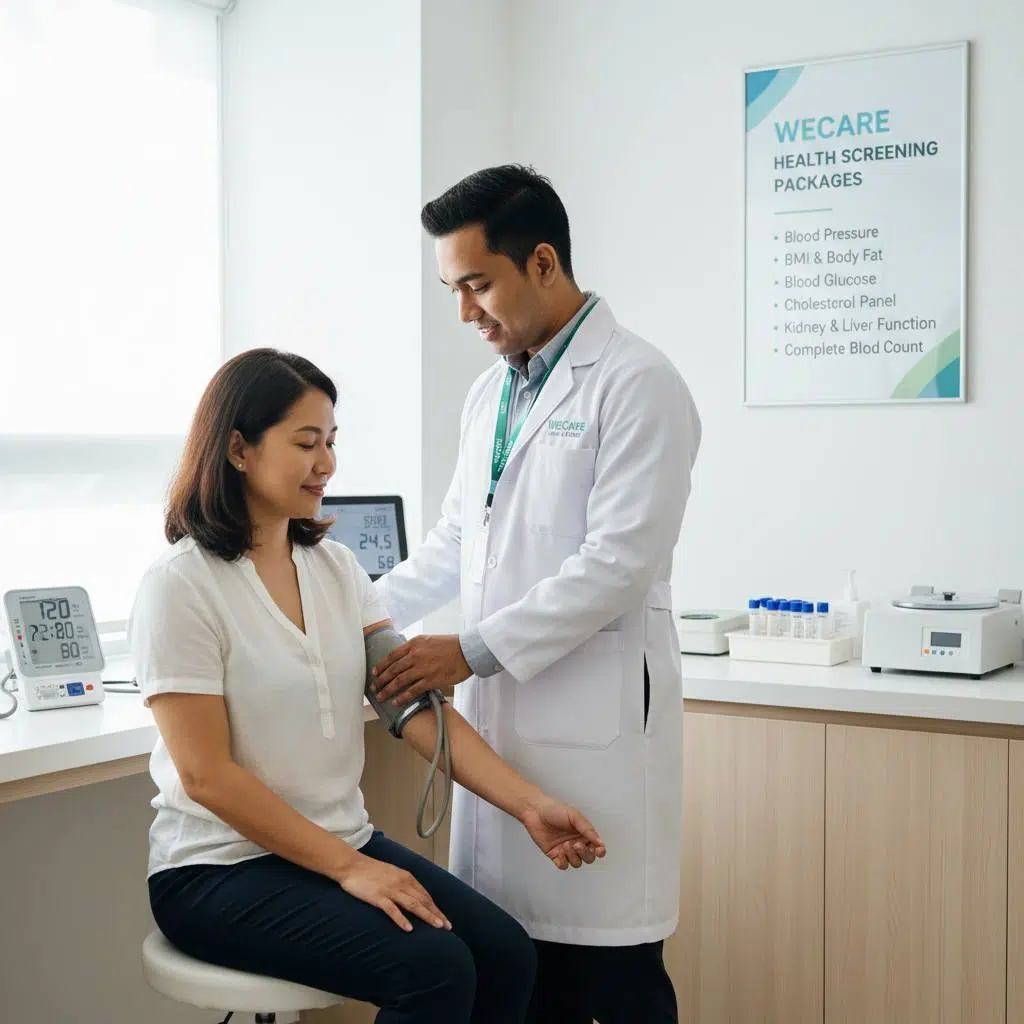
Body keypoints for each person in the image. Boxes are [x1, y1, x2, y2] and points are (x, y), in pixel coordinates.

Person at [129, 348, 607, 1024]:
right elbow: (206, 777)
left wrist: (529, 804)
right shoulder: (181, 586)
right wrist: (348, 868)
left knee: (506, 954)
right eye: (305, 442)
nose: (327, 462)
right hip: (218, 869)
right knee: (434, 970)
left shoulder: (335, 567)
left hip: (336, 840)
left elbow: (410, 702)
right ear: (238, 448)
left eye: (331, 441)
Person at [370, 165, 702, 1024]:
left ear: (544, 263)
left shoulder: (638, 383)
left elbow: (618, 563)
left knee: (610, 985)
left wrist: (468, 649)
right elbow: (453, 542)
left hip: (595, 738)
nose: (465, 312)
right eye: (453, 289)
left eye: (477, 284)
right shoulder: (492, 392)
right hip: (507, 738)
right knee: (519, 977)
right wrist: (346, 608)